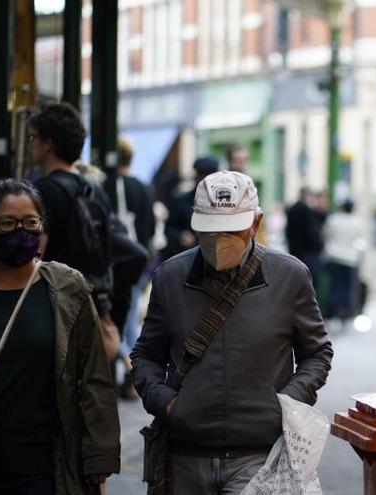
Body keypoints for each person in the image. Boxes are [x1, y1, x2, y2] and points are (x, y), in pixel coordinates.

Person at [131, 171, 333, 494]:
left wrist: (285, 404)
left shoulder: (289, 276)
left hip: (258, 459)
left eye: (232, 230)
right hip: (184, 457)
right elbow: (145, 355)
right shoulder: (171, 277)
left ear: (256, 223)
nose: (220, 241)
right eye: (211, 231)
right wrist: (165, 402)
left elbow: (317, 354)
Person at [0, 179, 121, 494]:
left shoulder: (68, 287)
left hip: (45, 466)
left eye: (30, 222)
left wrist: (99, 458)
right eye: (7, 223)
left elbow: (93, 378)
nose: (20, 232)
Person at [29, 102, 121, 354]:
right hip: (89, 303)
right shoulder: (95, 189)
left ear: (48, 143)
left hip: (52, 306)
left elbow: (35, 255)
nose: (30, 144)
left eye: (33, 137)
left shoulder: (44, 191)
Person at [162, 156, 219, 260]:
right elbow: (168, 230)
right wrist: (180, 237)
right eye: (201, 175)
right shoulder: (180, 201)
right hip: (186, 257)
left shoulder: (221, 203)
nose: (204, 180)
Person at [322, 199, 365, 325]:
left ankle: (333, 313)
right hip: (350, 259)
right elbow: (359, 241)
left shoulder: (333, 220)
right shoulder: (357, 223)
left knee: (334, 286)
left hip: (333, 256)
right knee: (347, 288)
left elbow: (325, 235)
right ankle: (344, 314)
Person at [286, 187, 324, 287]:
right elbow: (312, 233)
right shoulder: (307, 211)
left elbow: (288, 231)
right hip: (307, 252)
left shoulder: (292, 209)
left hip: (294, 251)